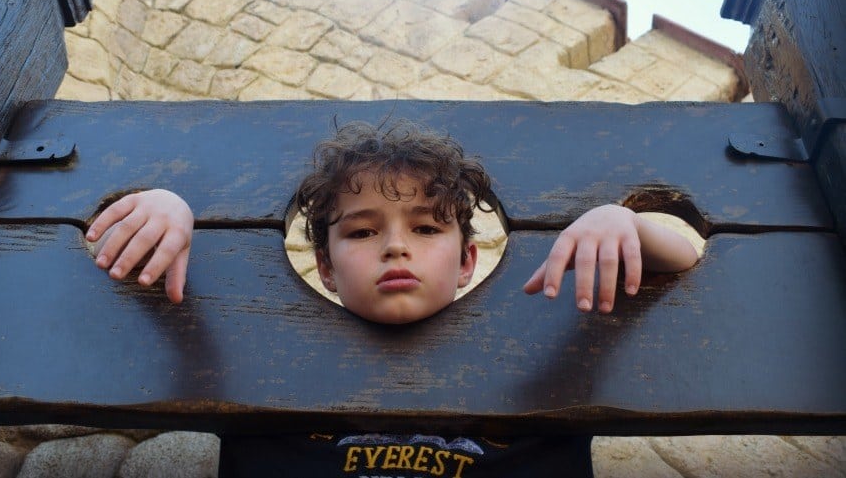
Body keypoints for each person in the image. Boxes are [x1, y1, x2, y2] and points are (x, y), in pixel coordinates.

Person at [86, 119, 700, 477]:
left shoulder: (549, 369)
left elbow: (688, 267)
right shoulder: (246, 372)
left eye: (428, 228)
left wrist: (623, 223)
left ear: (466, 262)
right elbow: (164, 308)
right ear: (324, 267)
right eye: (361, 230)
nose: (395, 247)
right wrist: (170, 206)